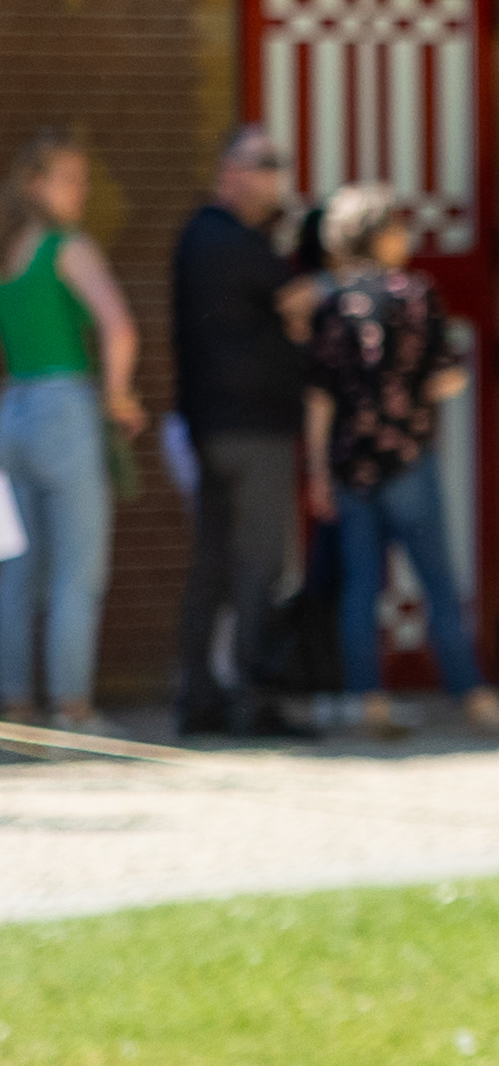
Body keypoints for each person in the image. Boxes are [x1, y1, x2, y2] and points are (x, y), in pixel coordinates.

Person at [297, 184, 499, 738]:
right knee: (437, 580)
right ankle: (473, 695)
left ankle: (371, 703)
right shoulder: (415, 294)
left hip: (350, 465)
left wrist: (317, 470)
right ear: (383, 234)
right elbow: (446, 374)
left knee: (361, 587)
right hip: (409, 457)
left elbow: (320, 396)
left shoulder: (332, 304)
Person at [166, 127, 316, 737]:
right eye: (266, 165)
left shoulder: (196, 236)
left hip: (210, 428)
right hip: (254, 431)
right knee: (259, 564)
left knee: (213, 566)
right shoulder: (235, 238)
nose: (276, 178)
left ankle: (198, 696)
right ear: (228, 171)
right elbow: (300, 304)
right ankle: (253, 699)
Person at [0, 133, 146, 728]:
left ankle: (14, 703)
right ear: (35, 182)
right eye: (69, 179)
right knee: (77, 569)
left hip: (12, 410)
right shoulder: (69, 247)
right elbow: (120, 327)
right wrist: (117, 396)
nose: (80, 192)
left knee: (15, 569)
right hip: (65, 405)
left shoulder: (8, 252)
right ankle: (73, 708)